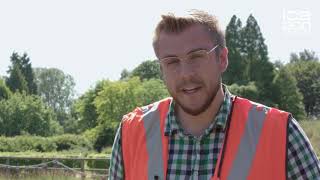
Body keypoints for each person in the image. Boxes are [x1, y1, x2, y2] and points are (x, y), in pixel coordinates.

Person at [109, 10, 320, 180]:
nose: (186, 74)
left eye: (197, 57)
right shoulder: (131, 133)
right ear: (161, 69)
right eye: (172, 61)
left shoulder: (282, 132)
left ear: (222, 58)